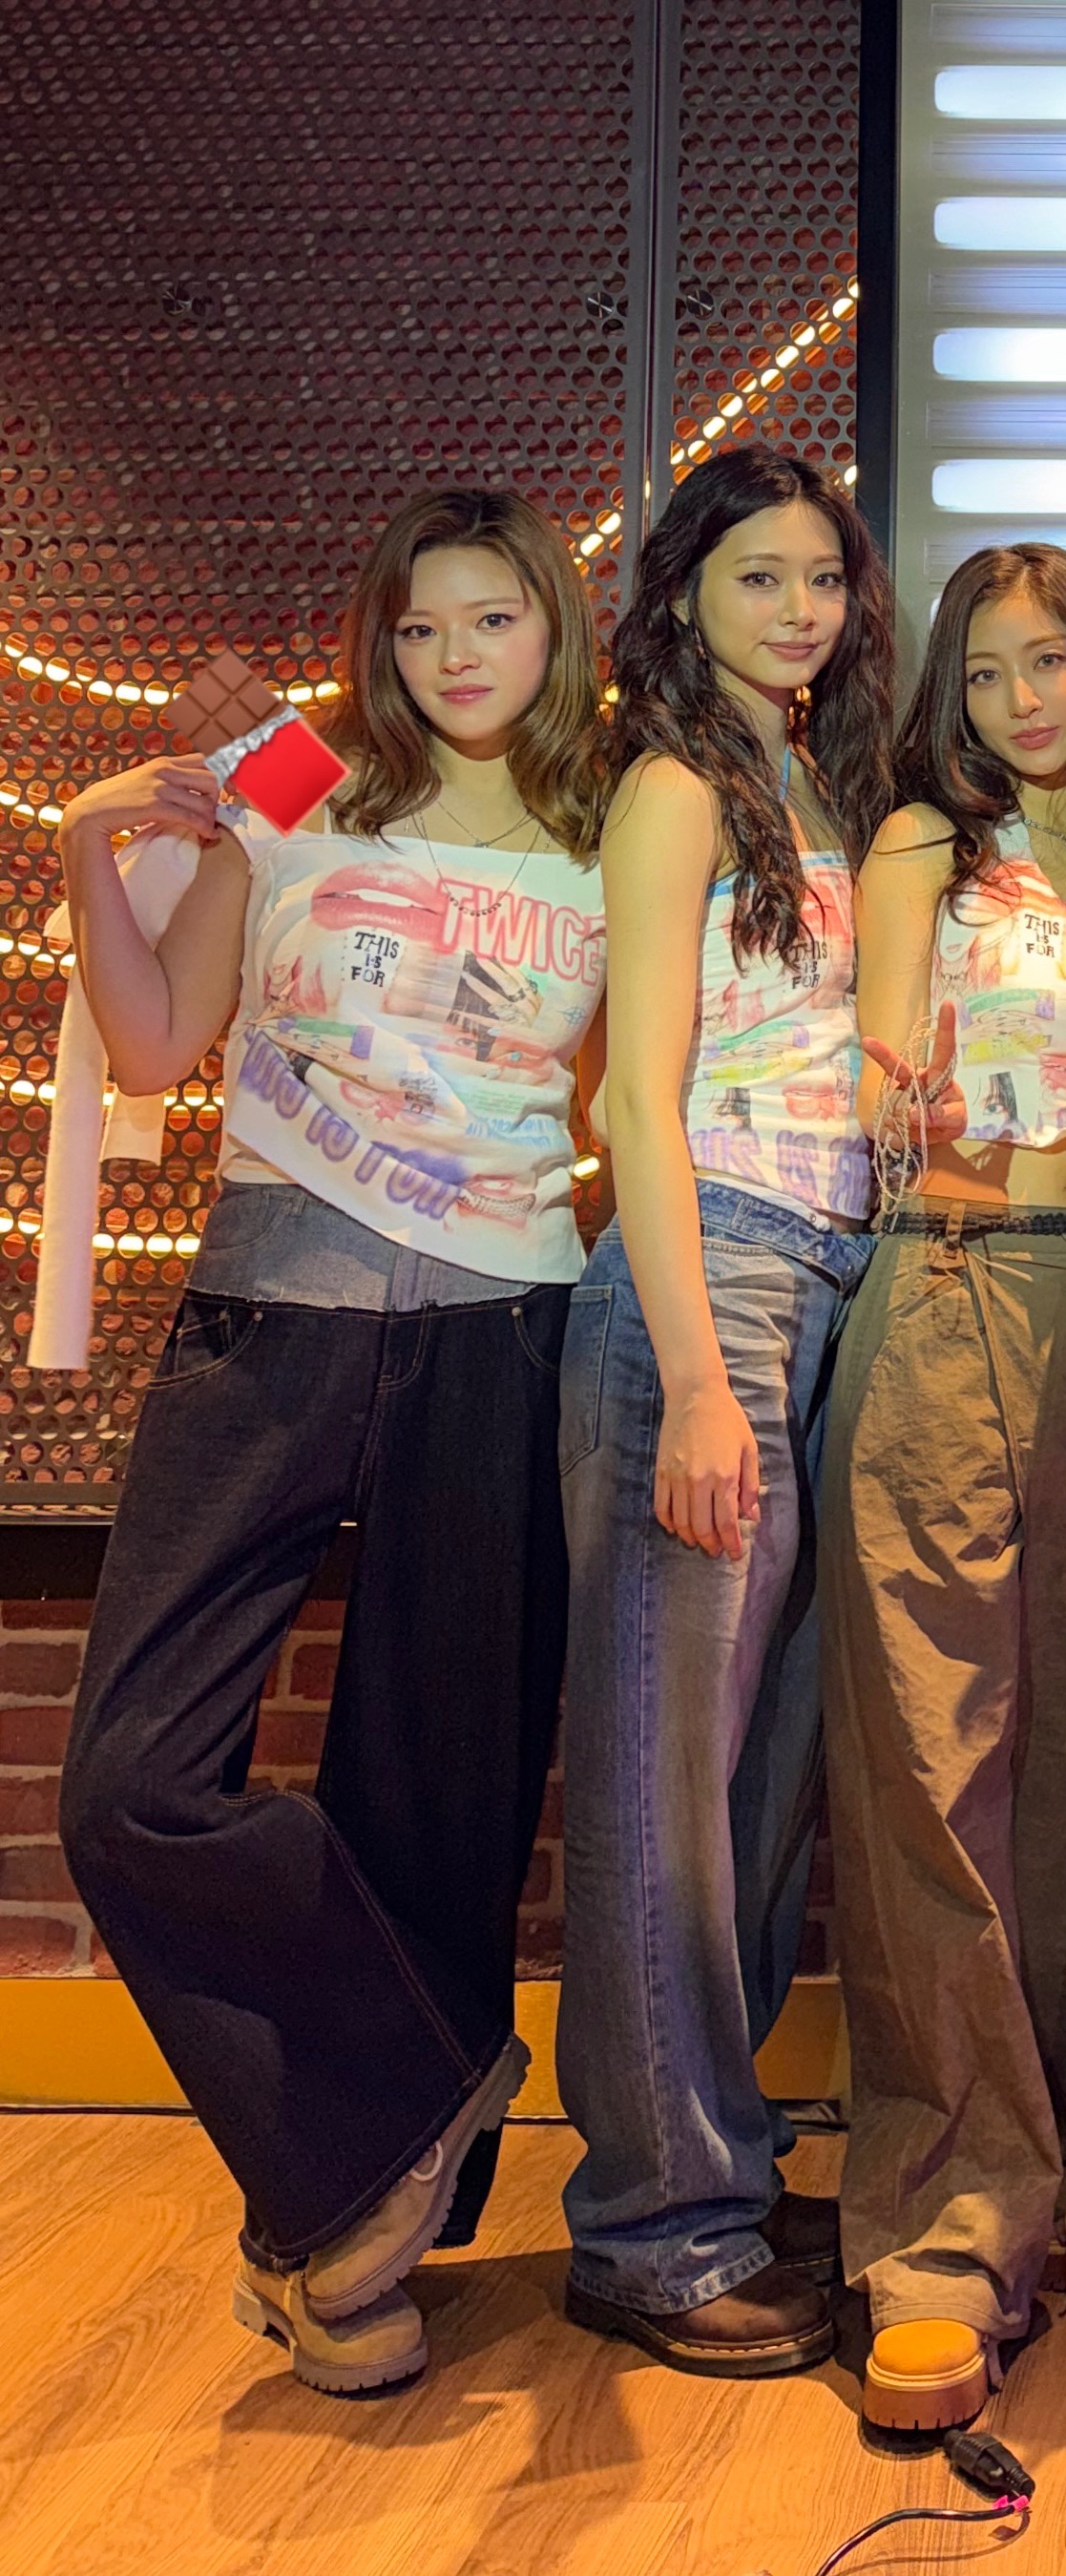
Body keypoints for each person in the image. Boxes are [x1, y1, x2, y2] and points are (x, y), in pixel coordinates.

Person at [56, 491, 607, 2395]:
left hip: (503, 1336)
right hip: (261, 1328)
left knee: (438, 1806)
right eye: (420, 627)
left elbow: (630, 1099)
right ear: (379, 644)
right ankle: (412, 2103)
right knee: (127, 1784)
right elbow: (156, 1045)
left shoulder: (609, 832)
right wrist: (87, 847)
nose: (456, 658)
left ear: (551, 630)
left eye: (493, 619)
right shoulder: (297, 791)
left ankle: (340, 2249)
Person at [820, 543, 1066, 2434]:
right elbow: (878, 1067)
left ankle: (1059, 2144)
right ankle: (943, 2223)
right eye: (980, 674)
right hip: (951, 1277)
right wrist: (910, 1106)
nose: (1015, 701)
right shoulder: (923, 846)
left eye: (1043, 662)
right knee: (929, 1749)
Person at [556, 444, 893, 2375]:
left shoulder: (818, 784)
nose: (798, 611)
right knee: (663, 1773)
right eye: (758, 576)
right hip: (715, 1286)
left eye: (822, 578)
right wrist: (694, 1372)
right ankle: (653, 2227)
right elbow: (639, 1095)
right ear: (686, 591)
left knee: (760, 1781)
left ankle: (720, 2172)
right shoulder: (677, 785)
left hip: (834, 1274)